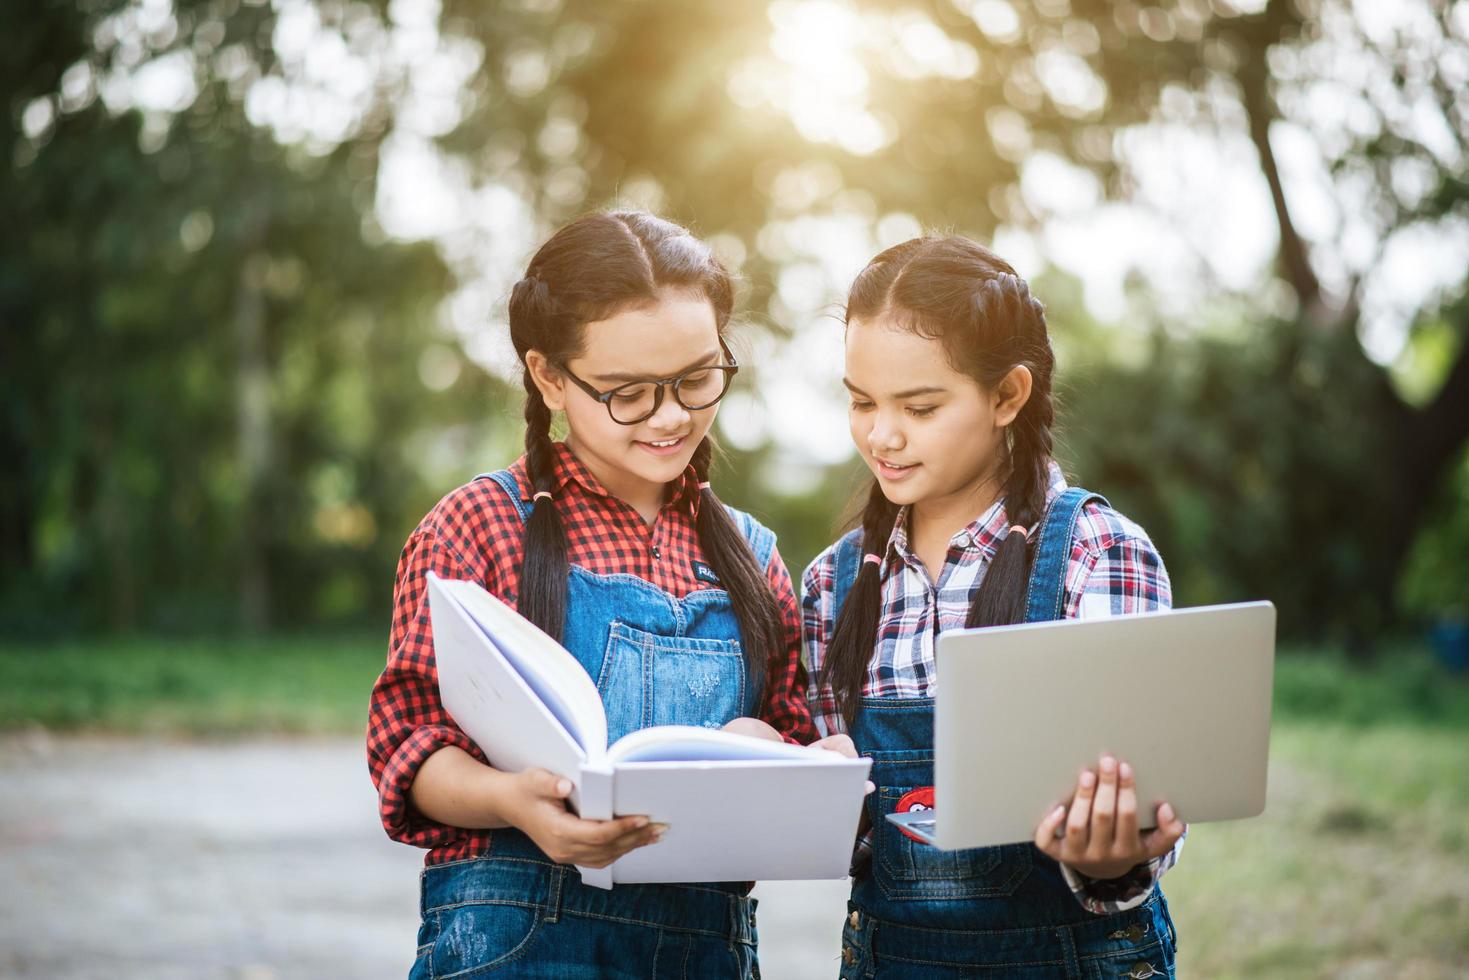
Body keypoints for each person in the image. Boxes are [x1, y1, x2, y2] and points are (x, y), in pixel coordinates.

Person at [368, 210, 850, 979]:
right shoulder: (477, 527)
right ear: (550, 377)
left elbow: (791, 736)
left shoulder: (752, 557)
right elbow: (409, 744)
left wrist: (794, 760)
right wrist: (510, 800)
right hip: (516, 930)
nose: (671, 416)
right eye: (627, 393)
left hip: (705, 944)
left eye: (697, 379)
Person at [804, 235, 1187, 979]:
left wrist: (1115, 851)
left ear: (1007, 395)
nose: (881, 434)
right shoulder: (831, 584)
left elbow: (1152, 809)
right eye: (859, 401)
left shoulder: (1095, 553)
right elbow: (844, 841)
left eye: (919, 406)